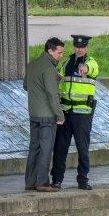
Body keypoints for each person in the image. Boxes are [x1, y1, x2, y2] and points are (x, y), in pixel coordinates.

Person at [50, 34, 100, 190]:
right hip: (65, 112)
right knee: (60, 148)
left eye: (82, 47)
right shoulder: (66, 63)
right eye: (77, 46)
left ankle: (83, 179)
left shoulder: (91, 63)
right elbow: (59, 79)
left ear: (86, 47)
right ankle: (57, 180)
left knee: (83, 148)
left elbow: (92, 69)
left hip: (82, 114)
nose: (79, 49)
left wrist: (85, 69)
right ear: (74, 47)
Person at [24, 38, 66, 193]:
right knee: (46, 149)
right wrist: (60, 115)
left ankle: (30, 182)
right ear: (50, 51)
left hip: (34, 113)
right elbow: (52, 94)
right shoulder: (49, 69)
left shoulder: (33, 65)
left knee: (34, 147)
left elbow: (26, 86)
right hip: (47, 116)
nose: (61, 55)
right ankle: (42, 182)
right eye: (59, 52)